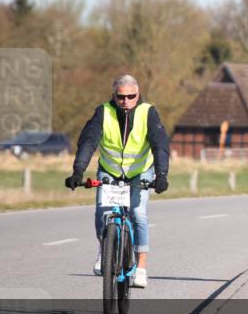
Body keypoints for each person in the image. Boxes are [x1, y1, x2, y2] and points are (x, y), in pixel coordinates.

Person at [64, 74, 169, 288]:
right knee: (103, 213)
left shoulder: (148, 112)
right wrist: (78, 171)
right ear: (114, 96)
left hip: (141, 172)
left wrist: (161, 175)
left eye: (131, 96)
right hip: (110, 170)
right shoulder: (103, 112)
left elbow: (160, 146)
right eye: (121, 97)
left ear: (138, 95)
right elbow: (88, 142)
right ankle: (105, 250)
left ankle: (141, 268)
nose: (126, 102)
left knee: (138, 213)